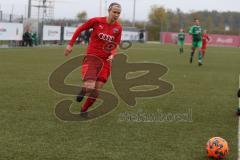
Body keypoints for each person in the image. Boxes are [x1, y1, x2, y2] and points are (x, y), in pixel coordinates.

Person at [64, 2, 122, 115]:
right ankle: (83, 90)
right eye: (114, 12)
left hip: (105, 61)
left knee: (96, 91)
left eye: (118, 13)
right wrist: (70, 44)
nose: (116, 14)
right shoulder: (96, 21)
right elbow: (80, 29)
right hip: (92, 58)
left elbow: (116, 44)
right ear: (109, 11)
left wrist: (113, 54)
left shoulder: (118, 28)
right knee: (89, 87)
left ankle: (84, 110)